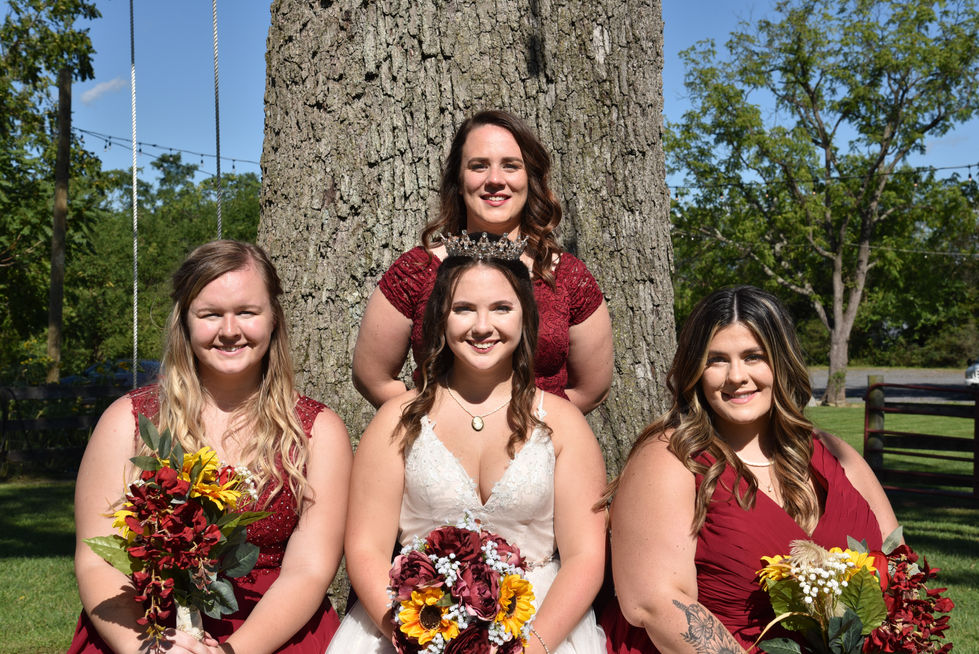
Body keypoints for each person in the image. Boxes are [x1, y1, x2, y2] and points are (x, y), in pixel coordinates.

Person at [69, 240, 352, 654]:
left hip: (271, 633)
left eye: (247, 312)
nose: (230, 330)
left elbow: (309, 570)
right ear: (185, 321)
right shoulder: (128, 421)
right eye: (211, 314)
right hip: (144, 629)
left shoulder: (316, 432)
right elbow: (96, 558)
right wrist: (144, 646)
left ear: (274, 318)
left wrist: (231, 651)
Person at [329, 235, 608, 653]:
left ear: (524, 317)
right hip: (412, 626)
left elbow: (585, 558)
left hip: (539, 628)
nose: (482, 326)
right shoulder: (398, 420)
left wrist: (529, 647)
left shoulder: (564, 425)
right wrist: (414, 635)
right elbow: (366, 548)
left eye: (501, 308)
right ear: (441, 318)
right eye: (463, 309)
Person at [600, 286, 899, 654]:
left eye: (753, 356)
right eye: (717, 360)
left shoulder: (835, 455)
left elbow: (899, 567)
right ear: (695, 369)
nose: (736, 376)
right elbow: (654, 603)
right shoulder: (668, 457)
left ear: (781, 361)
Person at [352, 109, 613, 414]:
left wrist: (536, 434)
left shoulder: (567, 275)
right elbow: (372, 376)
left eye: (510, 166)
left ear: (529, 178)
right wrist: (435, 425)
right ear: (459, 181)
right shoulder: (417, 271)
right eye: (478, 166)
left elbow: (591, 389)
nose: (495, 180)